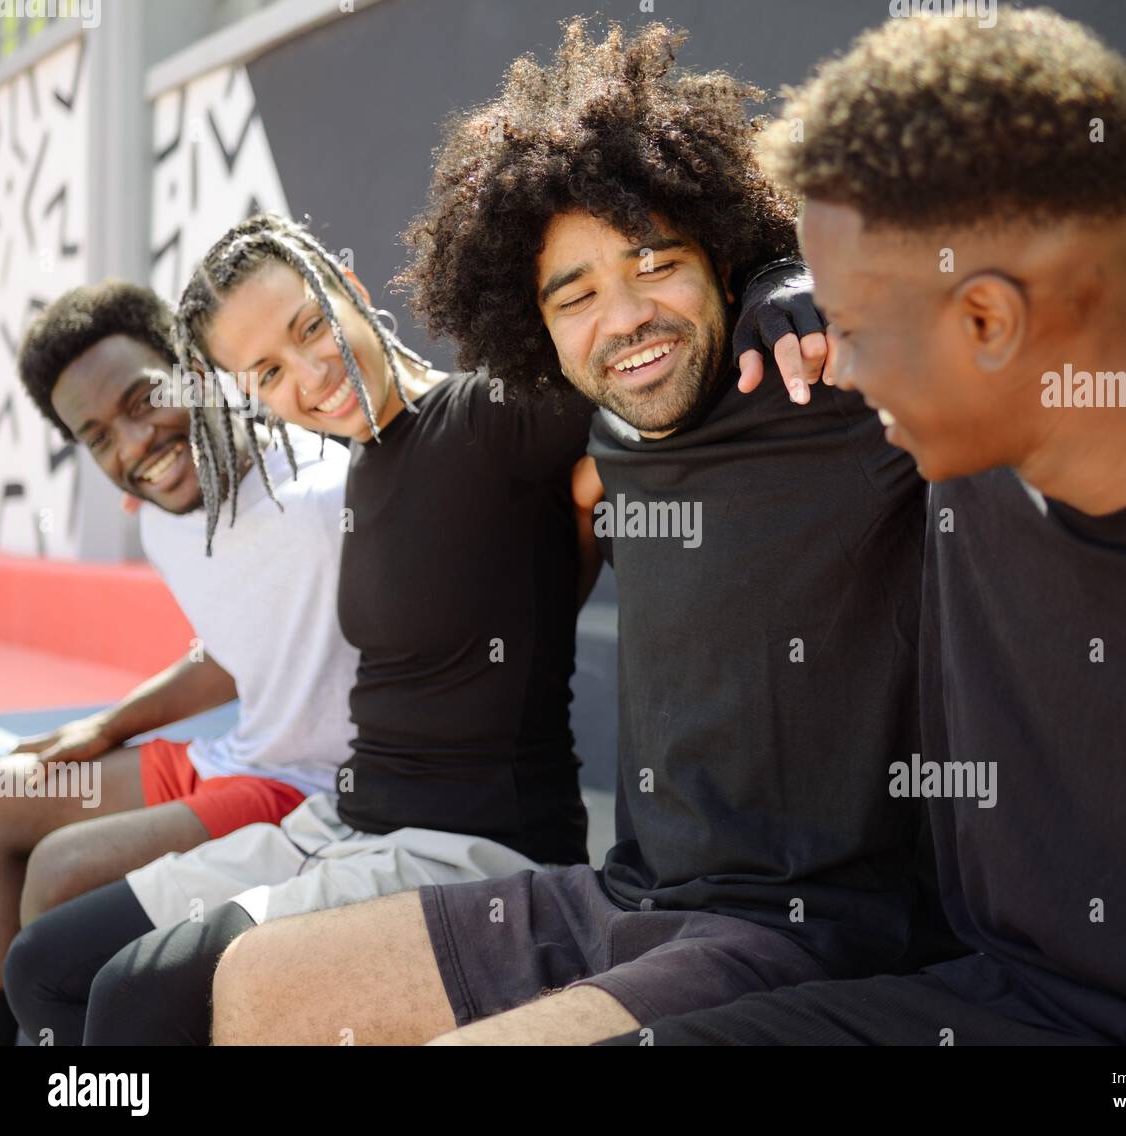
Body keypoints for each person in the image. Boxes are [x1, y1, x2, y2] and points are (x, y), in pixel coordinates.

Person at [195, 19, 961, 1047]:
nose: (626, 316)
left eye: (657, 264)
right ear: (539, 329)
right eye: (578, 293)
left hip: (803, 924)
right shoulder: (605, 424)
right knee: (255, 983)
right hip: (624, 893)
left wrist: (798, 278)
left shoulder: (828, 382)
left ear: (724, 257)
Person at [602, 8, 1126, 1046]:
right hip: (981, 997)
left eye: (852, 327)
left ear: (987, 322)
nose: (841, 367)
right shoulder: (961, 464)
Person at [0, 281, 356, 1045]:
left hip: (306, 787)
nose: (131, 446)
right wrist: (101, 726)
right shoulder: (164, 524)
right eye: (97, 436)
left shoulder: (326, 497)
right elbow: (234, 654)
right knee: (5, 794)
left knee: (62, 868)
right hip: (234, 757)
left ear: (195, 371)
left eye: (141, 401)